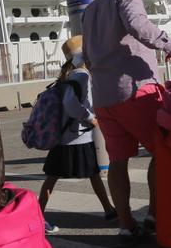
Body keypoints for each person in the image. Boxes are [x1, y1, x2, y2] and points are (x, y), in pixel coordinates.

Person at [82, 0, 171, 248]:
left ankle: (127, 225)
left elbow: (87, 55)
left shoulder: (91, 9)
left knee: (118, 161)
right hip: (134, 89)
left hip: (103, 95)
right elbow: (138, 26)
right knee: (164, 149)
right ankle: (155, 215)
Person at [38, 36, 117, 234]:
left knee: (56, 177)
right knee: (89, 175)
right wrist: (90, 118)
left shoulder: (70, 74)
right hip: (77, 136)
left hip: (66, 136)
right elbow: (71, 103)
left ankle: (108, 209)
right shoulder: (82, 76)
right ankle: (38, 217)